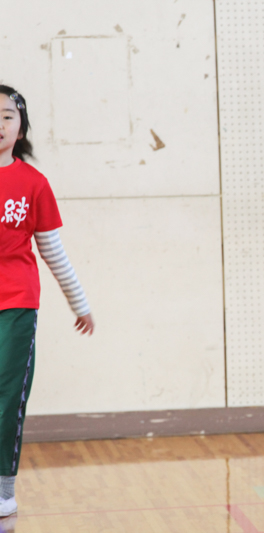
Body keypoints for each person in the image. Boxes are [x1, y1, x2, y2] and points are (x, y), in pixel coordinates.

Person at [0, 85, 95, 518]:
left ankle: (3, 489)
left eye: (7, 116)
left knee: (7, 396)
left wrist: (80, 303)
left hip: (16, 303)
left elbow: (53, 251)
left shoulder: (33, 184)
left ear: (20, 129)